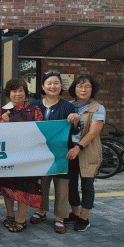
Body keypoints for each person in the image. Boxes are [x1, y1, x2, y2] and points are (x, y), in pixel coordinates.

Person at [0, 78, 44, 233]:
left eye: (21, 90)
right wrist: (3, 122)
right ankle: (10, 216)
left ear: (25, 92)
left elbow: (41, 131)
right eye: (14, 91)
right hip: (8, 156)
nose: (18, 94)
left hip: (28, 156)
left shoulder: (34, 109)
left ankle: (21, 219)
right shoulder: (2, 110)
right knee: (8, 187)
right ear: (9, 94)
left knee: (24, 187)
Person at [30, 72, 78, 234]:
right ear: (43, 87)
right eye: (49, 83)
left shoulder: (67, 107)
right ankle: (40, 210)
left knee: (62, 186)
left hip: (62, 154)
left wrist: (75, 121)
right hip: (40, 153)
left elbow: (73, 131)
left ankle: (60, 217)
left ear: (61, 86)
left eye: (56, 83)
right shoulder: (35, 105)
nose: (53, 86)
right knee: (41, 183)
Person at [65, 75, 105, 232]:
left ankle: (84, 217)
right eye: (80, 86)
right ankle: (75, 212)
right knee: (70, 183)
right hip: (69, 150)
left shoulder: (97, 107)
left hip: (87, 149)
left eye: (87, 86)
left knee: (87, 184)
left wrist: (78, 148)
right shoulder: (68, 106)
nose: (83, 89)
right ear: (74, 89)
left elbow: (93, 132)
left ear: (92, 89)